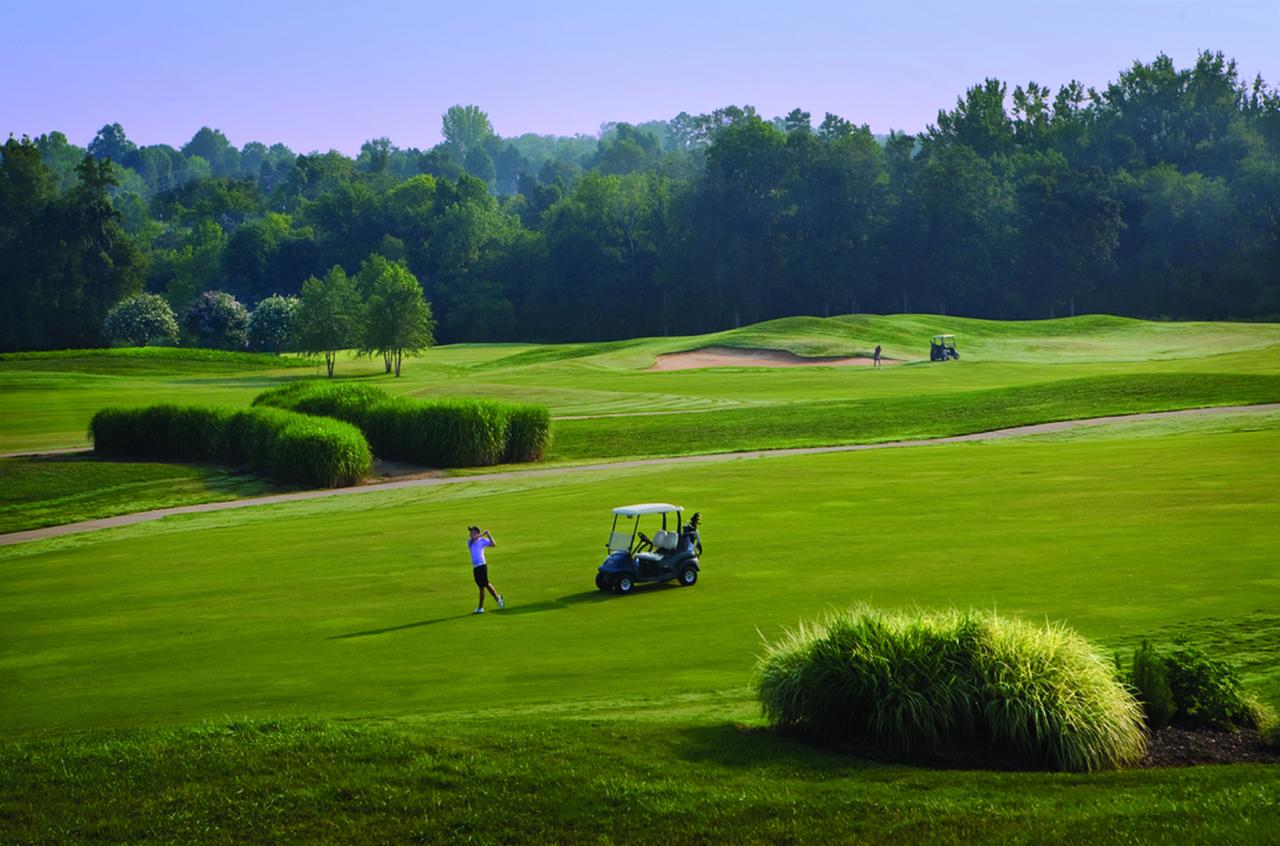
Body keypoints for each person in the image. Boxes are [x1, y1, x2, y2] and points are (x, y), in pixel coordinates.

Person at [467, 525, 504, 614]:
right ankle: (497, 598)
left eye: (472, 531)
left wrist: (489, 535)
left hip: (482, 565)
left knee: (483, 586)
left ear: (476, 532)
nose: (470, 533)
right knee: (485, 585)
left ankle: (481, 608)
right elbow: (474, 538)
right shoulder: (470, 541)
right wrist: (483, 533)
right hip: (475, 567)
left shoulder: (482, 541)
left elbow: (493, 544)